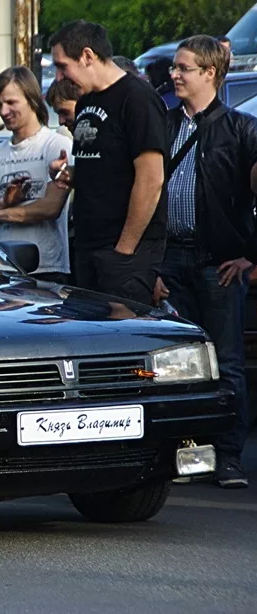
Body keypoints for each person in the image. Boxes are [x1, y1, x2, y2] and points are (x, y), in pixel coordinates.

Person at [154, 35, 256, 488]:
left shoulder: (241, 129)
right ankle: (190, 452)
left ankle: (228, 456)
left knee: (227, 361)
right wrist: (150, 265)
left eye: (183, 68)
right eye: (174, 67)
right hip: (170, 258)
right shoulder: (164, 123)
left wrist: (251, 256)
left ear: (210, 73)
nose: (173, 75)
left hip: (218, 263)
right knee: (180, 365)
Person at [48, 20, 169, 306]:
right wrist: (71, 174)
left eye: (63, 66)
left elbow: (151, 179)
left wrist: (124, 251)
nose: (58, 77)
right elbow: (104, 164)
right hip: (88, 245)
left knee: (123, 340)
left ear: (88, 56)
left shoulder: (137, 98)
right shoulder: (88, 100)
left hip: (124, 250)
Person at [0, 66, 74, 284]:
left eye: (11, 103)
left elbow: (51, 208)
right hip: (4, 269)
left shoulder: (56, 146)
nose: (4, 112)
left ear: (31, 98)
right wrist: (3, 203)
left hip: (47, 269)